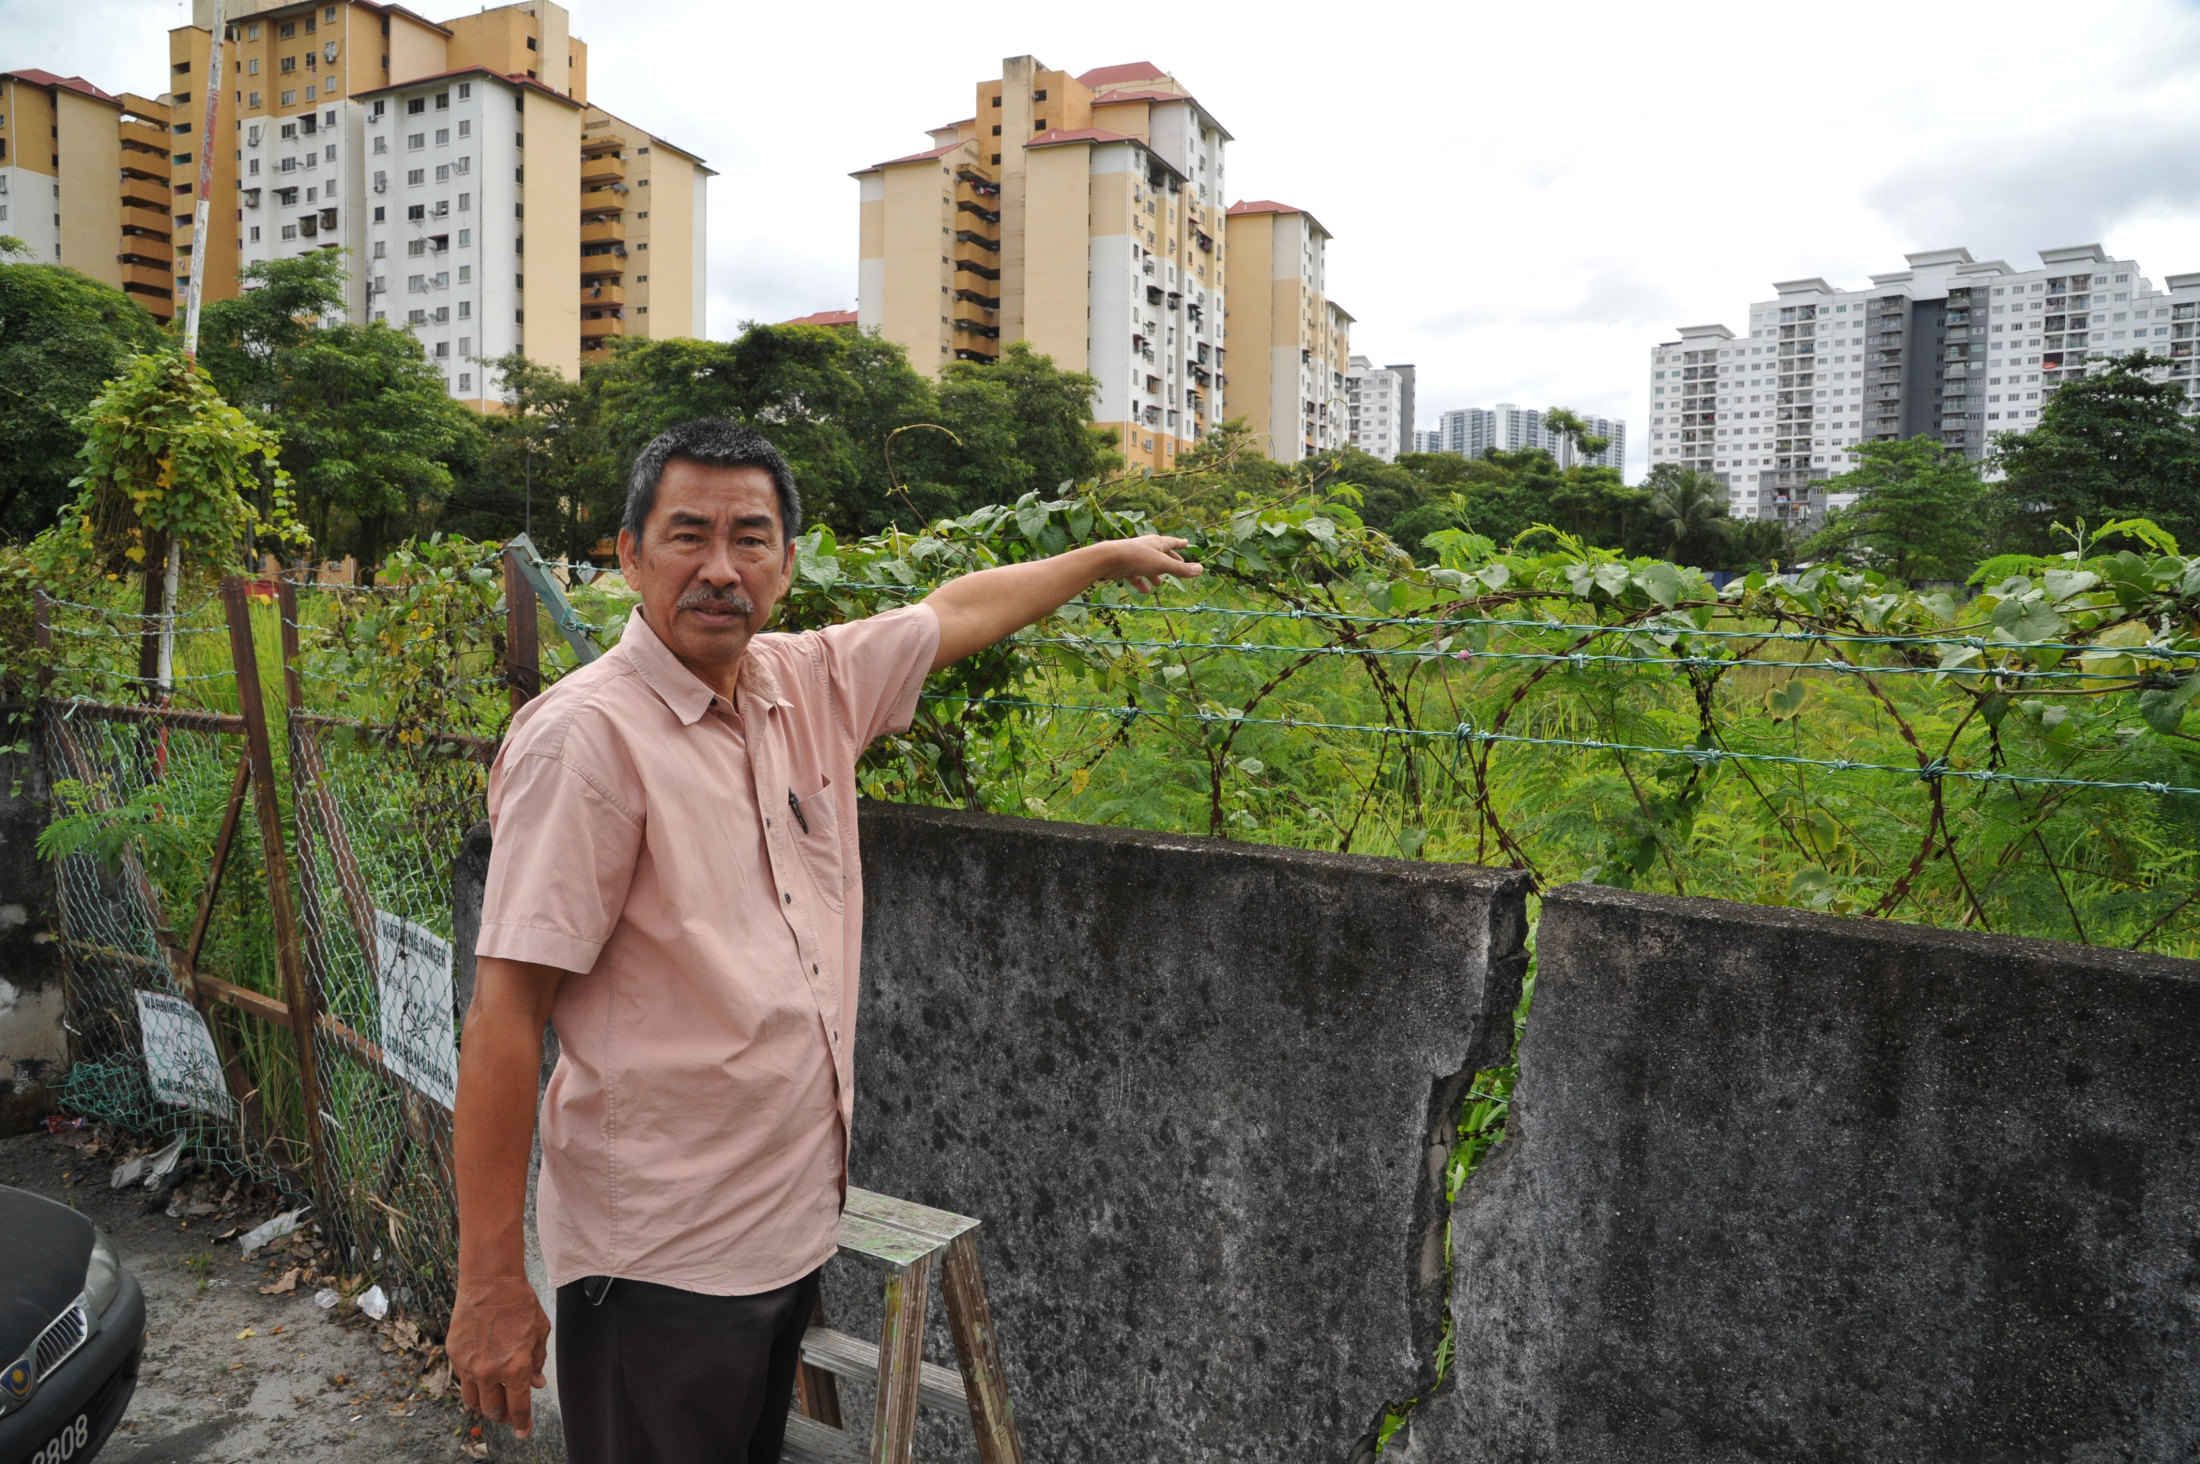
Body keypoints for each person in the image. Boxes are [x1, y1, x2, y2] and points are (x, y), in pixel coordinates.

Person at [446, 419, 1199, 1462]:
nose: (721, 569)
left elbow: (952, 612)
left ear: (787, 562)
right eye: (687, 537)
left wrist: (1104, 558)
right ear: (626, 555)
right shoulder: (587, 743)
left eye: (751, 538)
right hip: (659, 1262)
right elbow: (504, 1013)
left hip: (788, 1229)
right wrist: (488, 1281)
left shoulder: (803, 685)